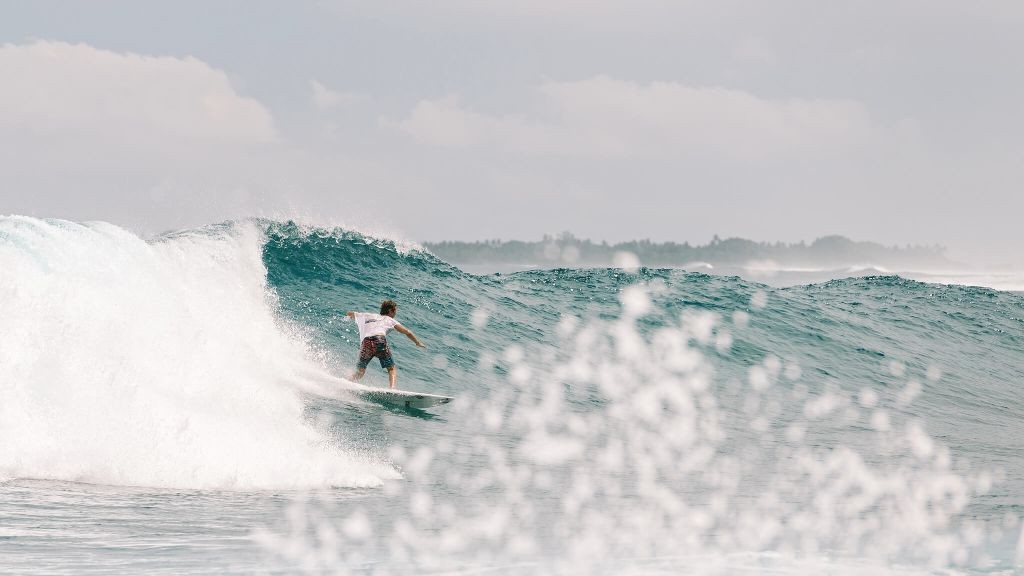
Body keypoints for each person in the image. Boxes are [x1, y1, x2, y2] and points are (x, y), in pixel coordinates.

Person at [347, 300, 426, 389]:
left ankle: (347, 382)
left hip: (366, 342)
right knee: (391, 368)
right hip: (379, 341)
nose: (395, 313)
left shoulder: (369, 315)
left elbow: (350, 313)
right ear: (390, 311)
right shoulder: (390, 320)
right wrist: (417, 342)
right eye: (395, 311)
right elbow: (407, 332)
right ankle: (392, 389)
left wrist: (349, 316)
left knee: (360, 371)